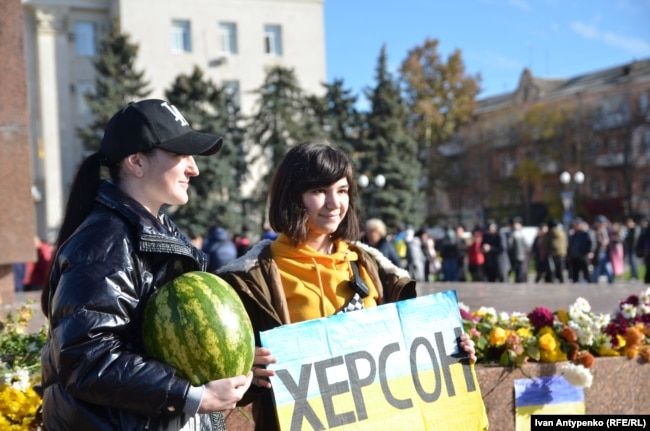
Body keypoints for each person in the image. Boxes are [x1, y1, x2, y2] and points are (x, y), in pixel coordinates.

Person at [216, 141, 476, 431]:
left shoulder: (372, 266)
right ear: (292, 196)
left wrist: (453, 352)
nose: (334, 203)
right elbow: (220, 380)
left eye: (342, 190)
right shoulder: (250, 280)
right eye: (318, 191)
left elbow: (408, 355)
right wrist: (245, 369)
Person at [39, 99, 256, 430]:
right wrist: (193, 396)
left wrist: (236, 357)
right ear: (136, 162)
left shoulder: (150, 232)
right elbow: (86, 359)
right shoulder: (105, 241)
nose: (193, 168)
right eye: (179, 155)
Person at [566, 218, 593, 283]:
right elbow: (570, 246)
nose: (575, 226)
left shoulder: (585, 234)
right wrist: (569, 254)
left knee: (587, 275)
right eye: (574, 225)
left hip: (583, 256)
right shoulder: (572, 235)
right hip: (574, 257)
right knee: (575, 276)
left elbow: (591, 243)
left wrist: (590, 252)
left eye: (577, 224)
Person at [506, 217, 527, 283]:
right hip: (514, 257)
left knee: (520, 274)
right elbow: (510, 245)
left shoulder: (520, 233)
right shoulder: (513, 234)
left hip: (520, 257)